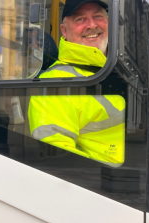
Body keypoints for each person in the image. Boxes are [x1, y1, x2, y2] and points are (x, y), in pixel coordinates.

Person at [28, 0, 126, 167]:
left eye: (97, 16)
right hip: (114, 185)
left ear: (109, 23)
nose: (92, 25)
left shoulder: (114, 69)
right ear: (64, 31)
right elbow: (60, 163)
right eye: (80, 19)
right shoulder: (55, 82)